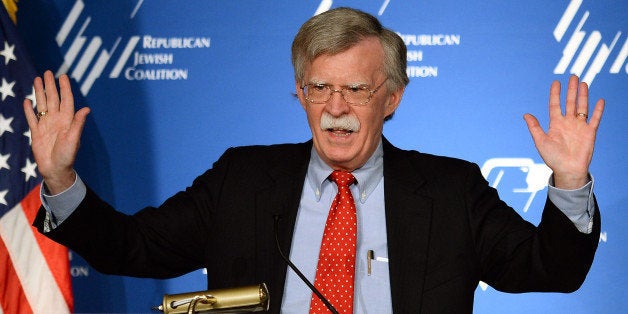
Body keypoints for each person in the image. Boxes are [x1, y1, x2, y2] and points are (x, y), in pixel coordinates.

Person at [25, 7, 604, 313]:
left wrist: (571, 179)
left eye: (356, 90)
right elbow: (132, 246)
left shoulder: (451, 191)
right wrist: (58, 178)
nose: (335, 108)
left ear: (393, 98)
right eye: (318, 88)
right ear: (299, 95)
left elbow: (550, 269)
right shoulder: (242, 179)